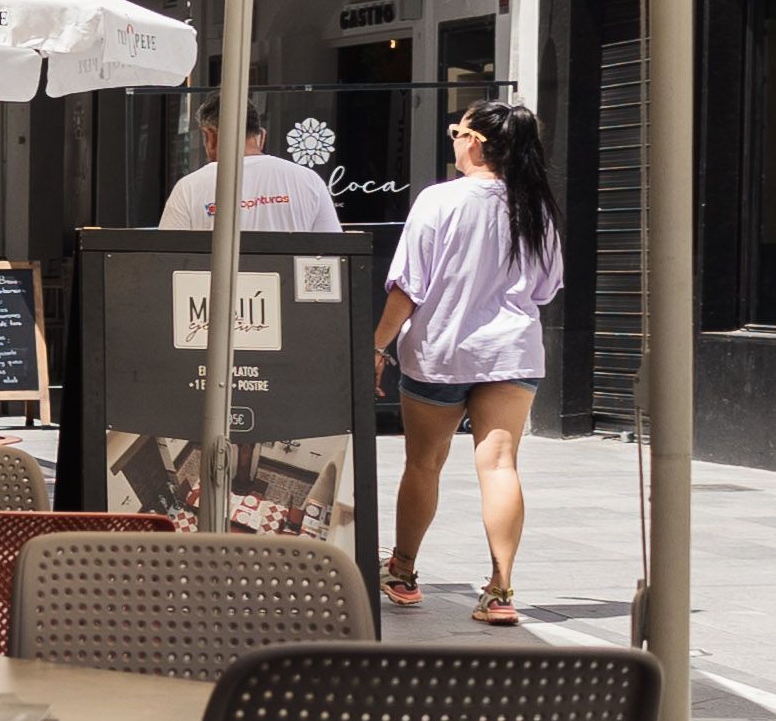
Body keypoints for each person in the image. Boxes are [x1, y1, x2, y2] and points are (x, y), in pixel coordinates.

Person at [373, 100, 564, 628]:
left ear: (476, 142)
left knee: (423, 463)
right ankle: (501, 590)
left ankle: (404, 573)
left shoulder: (439, 201)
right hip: (512, 352)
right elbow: (546, 288)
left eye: (457, 131)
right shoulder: (535, 206)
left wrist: (376, 345)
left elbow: (408, 287)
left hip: (441, 352)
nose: (453, 139)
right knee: (500, 466)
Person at [158, 97, 343, 235]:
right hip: (290, 286)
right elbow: (332, 252)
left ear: (210, 137)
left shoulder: (189, 188)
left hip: (211, 288)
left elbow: (166, 261)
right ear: (261, 136)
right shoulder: (308, 180)